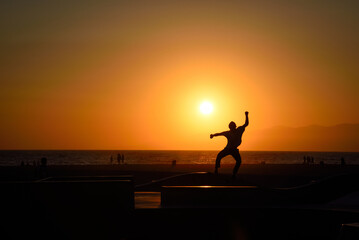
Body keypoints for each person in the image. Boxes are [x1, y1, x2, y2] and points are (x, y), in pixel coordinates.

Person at [210, 111, 249, 179]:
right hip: (228, 149)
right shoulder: (228, 133)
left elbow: (246, 124)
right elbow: (220, 133)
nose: (231, 128)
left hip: (234, 150)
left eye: (232, 126)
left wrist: (246, 115)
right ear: (229, 127)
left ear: (235, 126)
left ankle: (234, 174)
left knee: (239, 161)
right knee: (219, 156)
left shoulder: (239, 130)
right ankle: (216, 170)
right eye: (230, 127)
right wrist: (213, 135)